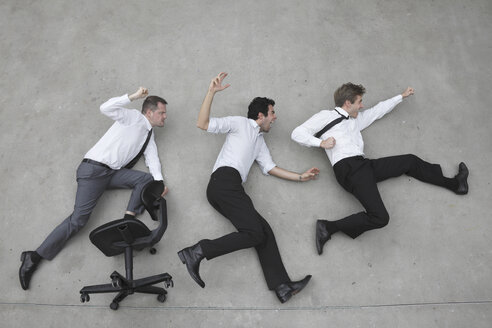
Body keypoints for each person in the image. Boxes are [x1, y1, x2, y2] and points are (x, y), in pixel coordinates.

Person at [178, 72, 320, 303]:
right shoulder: (239, 123)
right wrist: (211, 92)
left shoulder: (259, 142)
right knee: (254, 233)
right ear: (261, 115)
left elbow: (270, 167)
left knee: (263, 232)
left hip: (230, 188)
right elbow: (202, 123)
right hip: (223, 183)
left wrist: (301, 177)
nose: (275, 117)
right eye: (272, 113)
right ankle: (198, 251)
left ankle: (282, 287)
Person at [291, 83, 469, 255]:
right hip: (349, 169)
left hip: (363, 166)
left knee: (410, 161)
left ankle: (456, 184)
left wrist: (401, 96)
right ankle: (328, 227)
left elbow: (376, 111)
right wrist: (320, 142)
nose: (362, 105)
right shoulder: (326, 116)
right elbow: (297, 133)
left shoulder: (354, 121)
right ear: (347, 103)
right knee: (380, 218)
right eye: (359, 101)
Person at [19, 87, 169, 290]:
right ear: (149, 112)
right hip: (93, 171)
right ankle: (34, 257)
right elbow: (105, 108)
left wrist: (159, 184)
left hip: (111, 174)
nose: (164, 117)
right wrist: (132, 97)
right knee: (79, 220)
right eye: (162, 112)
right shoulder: (132, 117)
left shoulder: (149, 135)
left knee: (146, 180)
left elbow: (152, 158)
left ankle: (127, 220)